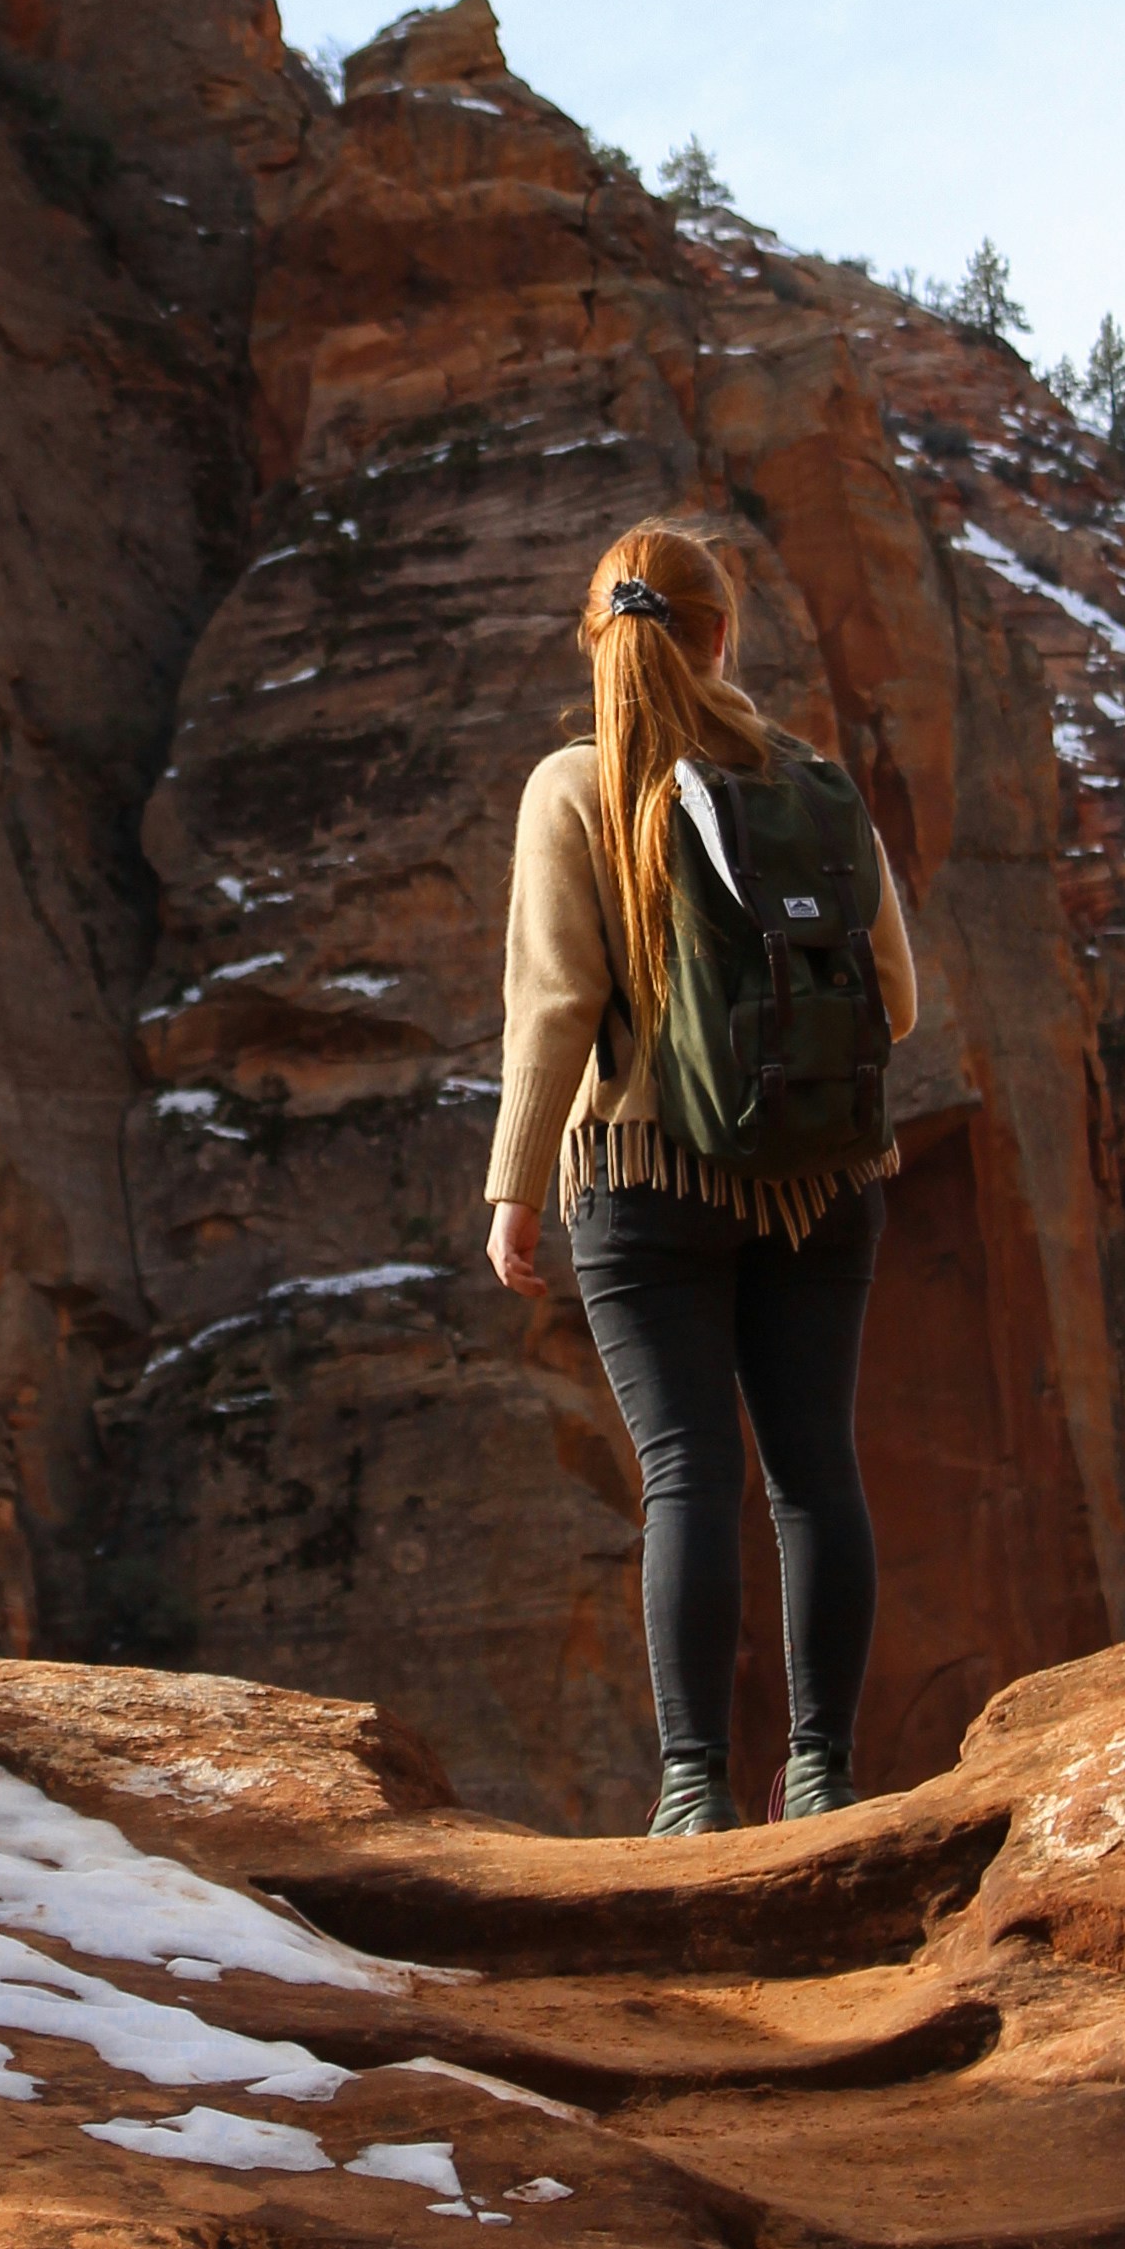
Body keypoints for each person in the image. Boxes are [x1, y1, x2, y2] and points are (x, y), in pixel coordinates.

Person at [484, 519, 918, 1836]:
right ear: (727, 633)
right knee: (812, 1473)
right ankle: (825, 1774)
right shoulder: (811, 783)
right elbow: (894, 1001)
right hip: (822, 1179)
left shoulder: (575, 785)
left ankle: (691, 1795)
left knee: (687, 1476)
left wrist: (512, 1186)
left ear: (598, 641)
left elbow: (559, 1004)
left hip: (643, 1173)